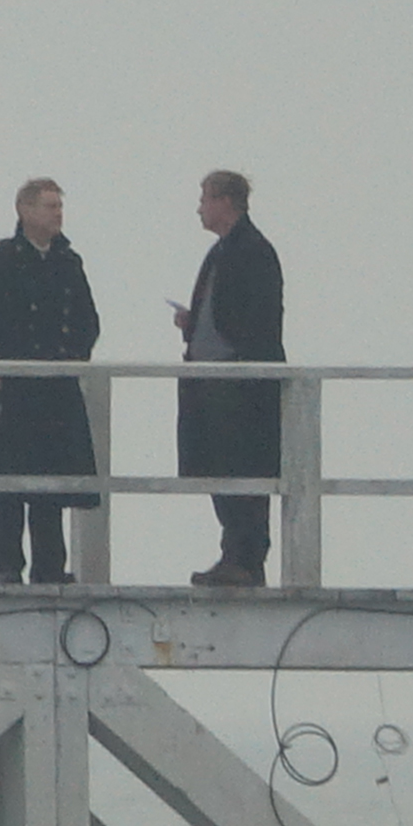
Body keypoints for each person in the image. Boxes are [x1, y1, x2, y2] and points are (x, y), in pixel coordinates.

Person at [0, 178, 101, 585]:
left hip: (55, 391)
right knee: (5, 488)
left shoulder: (68, 262)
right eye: (49, 206)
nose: (57, 214)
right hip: (10, 391)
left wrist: (70, 360)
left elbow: (88, 323)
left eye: (59, 206)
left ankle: (50, 570)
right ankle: (6, 570)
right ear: (25, 210)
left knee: (51, 490)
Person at [174, 170, 284, 587]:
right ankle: (232, 555)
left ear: (225, 201)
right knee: (220, 469)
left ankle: (246, 559)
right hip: (214, 383)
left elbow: (256, 321)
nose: (199, 207)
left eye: (205, 198)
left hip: (239, 387)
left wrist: (234, 358)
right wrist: (194, 322)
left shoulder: (252, 251)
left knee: (244, 472)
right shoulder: (223, 252)